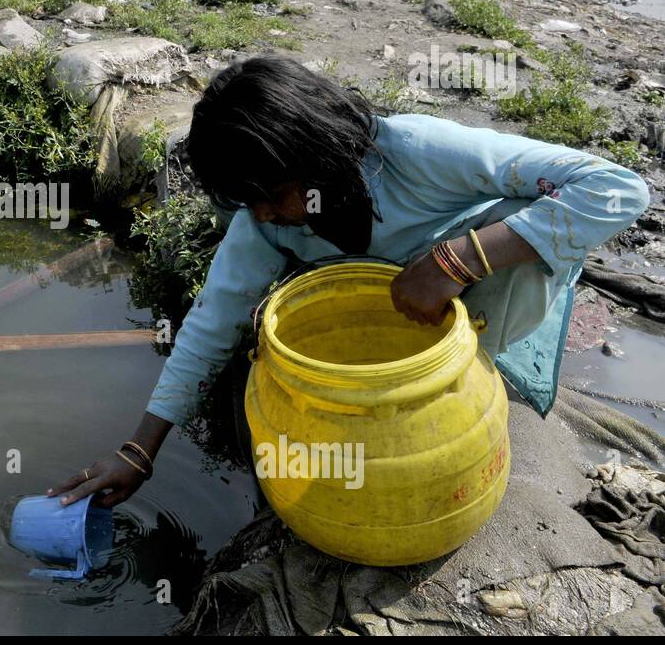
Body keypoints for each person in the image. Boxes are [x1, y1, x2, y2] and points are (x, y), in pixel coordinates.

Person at [52, 55, 650, 509]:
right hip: (381, 322)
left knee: (506, 241)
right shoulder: (266, 224)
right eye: (246, 201)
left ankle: (472, 382)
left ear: (314, 153)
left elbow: (618, 189)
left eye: (268, 195)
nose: (259, 214)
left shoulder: (417, 151)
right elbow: (211, 325)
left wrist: (454, 262)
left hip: (486, 303)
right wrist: (139, 452)